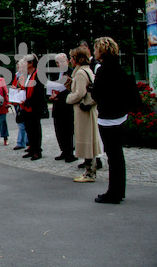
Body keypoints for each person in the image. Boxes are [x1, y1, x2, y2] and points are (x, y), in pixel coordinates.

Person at [92, 37, 139, 204]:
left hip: (108, 117)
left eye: (96, 48)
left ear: (102, 51)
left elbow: (97, 95)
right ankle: (119, 190)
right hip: (120, 115)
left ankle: (114, 193)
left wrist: (91, 89)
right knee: (118, 155)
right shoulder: (119, 67)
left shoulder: (103, 70)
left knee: (113, 156)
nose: (94, 51)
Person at [66, 47, 102, 182]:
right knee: (89, 138)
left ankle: (89, 172)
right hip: (87, 110)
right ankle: (90, 170)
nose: (70, 60)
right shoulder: (86, 70)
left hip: (83, 110)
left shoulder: (80, 73)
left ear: (77, 59)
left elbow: (80, 93)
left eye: (72, 58)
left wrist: (69, 98)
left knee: (86, 139)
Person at [49, 53, 76, 163]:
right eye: (57, 62)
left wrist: (58, 96)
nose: (59, 64)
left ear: (67, 61)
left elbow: (72, 89)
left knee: (68, 130)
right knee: (59, 129)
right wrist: (50, 96)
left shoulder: (72, 72)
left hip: (67, 106)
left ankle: (70, 152)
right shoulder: (55, 74)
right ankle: (64, 150)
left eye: (61, 61)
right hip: (57, 106)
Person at [19, 54, 46, 160]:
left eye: (25, 62)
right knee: (29, 129)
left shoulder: (38, 75)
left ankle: (37, 150)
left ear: (31, 63)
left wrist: (27, 101)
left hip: (34, 107)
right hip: (26, 106)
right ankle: (31, 148)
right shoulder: (27, 75)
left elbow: (38, 94)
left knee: (35, 129)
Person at [10, 59, 29, 150]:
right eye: (18, 67)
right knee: (22, 122)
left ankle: (21, 142)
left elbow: (23, 88)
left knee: (22, 122)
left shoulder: (25, 76)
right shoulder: (17, 75)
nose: (19, 68)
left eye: (21, 67)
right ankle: (25, 140)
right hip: (17, 100)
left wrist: (17, 88)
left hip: (21, 100)